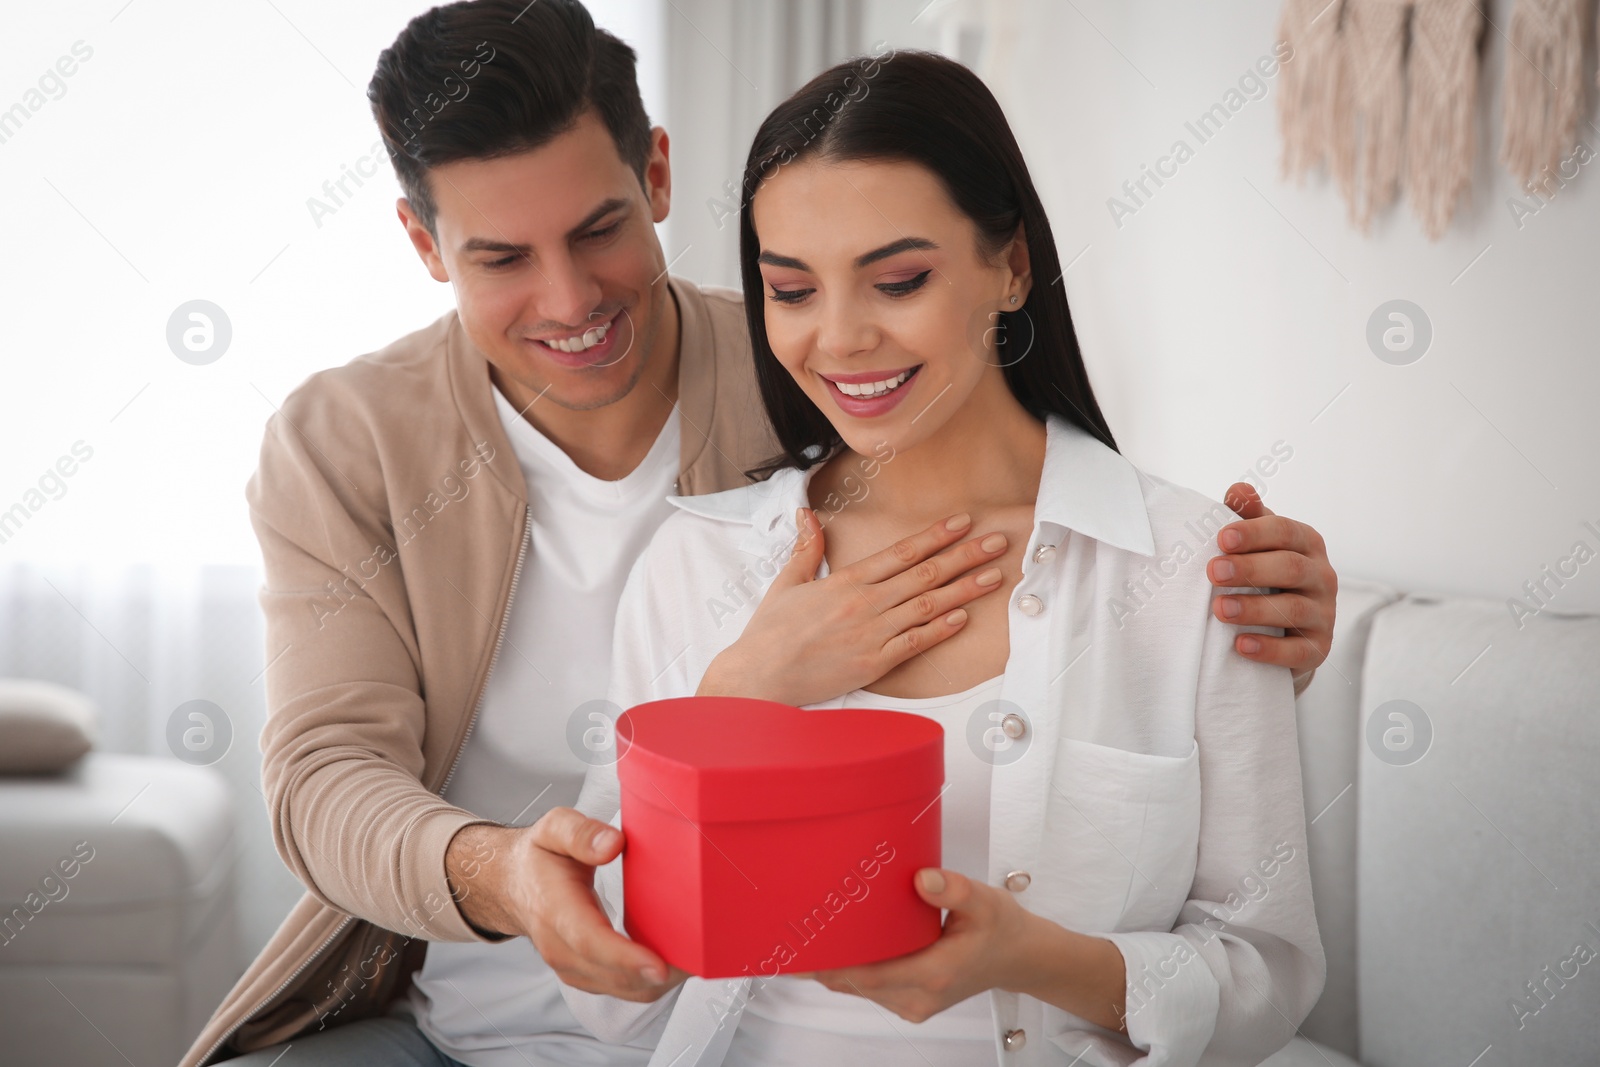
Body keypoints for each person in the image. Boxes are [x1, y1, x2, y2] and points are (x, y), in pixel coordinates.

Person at [182, 2, 1337, 1065]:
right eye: (500, 257)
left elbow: (1256, 950)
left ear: (658, 175)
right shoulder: (367, 448)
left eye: (597, 231)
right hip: (498, 988)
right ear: (427, 245)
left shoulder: (828, 390)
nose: (571, 300)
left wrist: (1242, 607)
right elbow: (329, 776)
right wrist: (693, 735)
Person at [560, 50, 1325, 1067]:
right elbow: (609, 994)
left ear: (1010, 268)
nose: (839, 338)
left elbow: (1264, 970)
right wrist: (733, 703)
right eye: (790, 290)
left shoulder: (1188, 570)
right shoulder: (692, 564)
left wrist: (1035, 958)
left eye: (899, 279)